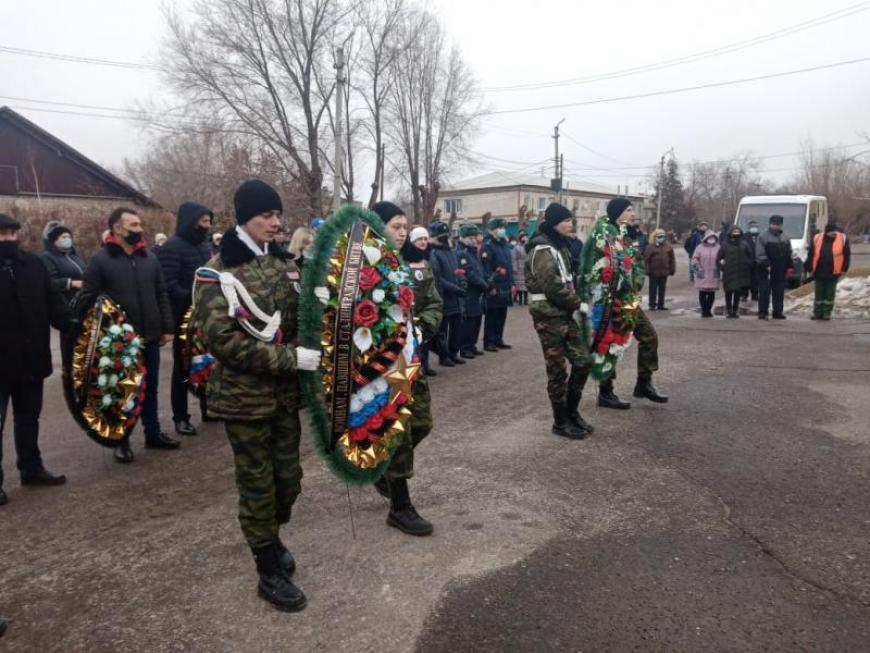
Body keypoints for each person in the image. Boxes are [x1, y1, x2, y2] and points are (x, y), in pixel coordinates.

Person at [195, 179, 321, 611]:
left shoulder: (284, 263)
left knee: (289, 482)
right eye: (266, 215)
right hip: (245, 401)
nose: (276, 222)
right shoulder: (217, 272)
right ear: (244, 218)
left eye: (277, 215)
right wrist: (292, 361)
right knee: (257, 484)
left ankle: (272, 535)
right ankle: (266, 565)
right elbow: (224, 342)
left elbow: (303, 316)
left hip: (285, 399)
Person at [80, 207, 179, 463]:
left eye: (139, 225)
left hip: (150, 334)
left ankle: (153, 433)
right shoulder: (101, 261)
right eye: (134, 225)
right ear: (118, 229)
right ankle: (121, 440)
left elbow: (161, 293)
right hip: (120, 341)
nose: (139, 229)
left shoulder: (149, 258)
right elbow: (88, 300)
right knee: (121, 390)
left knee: (151, 387)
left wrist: (167, 327)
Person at [371, 201, 441, 535]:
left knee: (423, 423)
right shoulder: (364, 269)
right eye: (395, 226)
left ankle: (385, 471)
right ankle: (400, 505)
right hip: (385, 365)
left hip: (411, 358)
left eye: (404, 226)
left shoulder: (406, 264)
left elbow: (433, 304)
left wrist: (422, 328)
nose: (402, 232)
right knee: (399, 430)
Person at [0, 213, 70, 506]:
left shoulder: (33, 264)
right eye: (1, 234)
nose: (8, 239)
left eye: (11, 233)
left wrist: (74, 324)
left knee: (28, 418)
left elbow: (53, 304)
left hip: (32, 358)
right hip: (1, 361)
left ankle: (31, 468)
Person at [581, 199, 668, 410]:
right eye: (628, 210)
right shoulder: (602, 235)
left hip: (627, 299)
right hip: (609, 299)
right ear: (618, 213)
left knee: (649, 336)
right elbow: (589, 267)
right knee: (609, 344)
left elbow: (637, 263)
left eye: (632, 209)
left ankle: (644, 384)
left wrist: (634, 283)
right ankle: (606, 392)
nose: (632, 214)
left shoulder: (625, 235)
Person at [525, 203, 593, 439]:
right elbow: (552, 287)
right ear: (555, 223)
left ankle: (572, 413)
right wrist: (577, 304)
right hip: (548, 317)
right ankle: (560, 421)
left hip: (562, 314)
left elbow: (568, 277)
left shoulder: (558, 246)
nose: (570, 224)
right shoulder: (543, 250)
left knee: (583, 361)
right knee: (557, 371)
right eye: (566, 221)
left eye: (571, 220)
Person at [156, 202, 214, 436]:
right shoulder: (172, 248)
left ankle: (207, 405)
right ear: (191, 221)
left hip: (206, 314)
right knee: (182, 368)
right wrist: (194, 297)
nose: (207, 226)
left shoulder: (204, 246)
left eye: (209, 222)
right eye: (204, 221)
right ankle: (180, 416)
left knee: (207, 361)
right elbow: (168, 285)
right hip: (183, 316)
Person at [40, 221, 86, 372]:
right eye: (63, 236)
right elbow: (49, 282)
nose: (68, 239)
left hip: (83, 305)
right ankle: (70, 379)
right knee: (70, 348)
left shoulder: (74, 255)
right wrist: (71, 283)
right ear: (54, 240)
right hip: (65, 308)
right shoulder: (48, 257)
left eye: (69, 236)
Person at [428, 220, 466, 367]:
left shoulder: (451, 251)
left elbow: (458, 270)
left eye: (446, 234)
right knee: (443, 330)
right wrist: (453, 287)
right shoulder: (433, 253)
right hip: (444, 296)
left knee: (456, 327)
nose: (446, 237)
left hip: (455, 298)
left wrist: (462, 281)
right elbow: (438, 278)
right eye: (442, 235)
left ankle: (453, 353)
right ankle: (443, 356)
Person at [403, 226, 440, 376]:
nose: (423, 242)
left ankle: (424, 364)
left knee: (424, 338)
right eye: (420, 239)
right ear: (412, 241)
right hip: (409, 310)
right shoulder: (404, 261)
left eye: (425, 239)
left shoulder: (426, 262)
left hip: (424, 309)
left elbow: (431, 287)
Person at [481, 218, 514, 351]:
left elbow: (509, 266)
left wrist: (511, 283)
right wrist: (491, 286)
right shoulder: (488, 245)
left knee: (502, 314)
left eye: (503, 227)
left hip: (505, 284)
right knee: (492, 315)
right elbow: (486, 267)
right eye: (499, 227)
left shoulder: (504, 244)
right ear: (492, 230)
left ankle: (498, 339)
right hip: (495, 285)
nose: (502, 230)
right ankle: (489, 341)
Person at [455, 224, 488, 358]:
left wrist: (484, 282)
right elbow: (469, 273)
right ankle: (464, 348)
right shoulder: (461, 252)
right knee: (468, 321)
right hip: (468, 292)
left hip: (477, 292)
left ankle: (472, 344)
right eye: (470, 237)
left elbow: (479, 270)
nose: (473, 240)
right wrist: (484, 285)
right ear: (462, 237)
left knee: (476, 319)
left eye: (474, 237)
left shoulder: (473, 251)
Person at [807, 222, 851, 320]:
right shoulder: (817, 238)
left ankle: (827, 312)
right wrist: (809, 268)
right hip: (819, 271)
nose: (834, 233)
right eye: (832, 231)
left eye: (835, 231)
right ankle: (817, 313)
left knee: (829, 294)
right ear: (827, 232)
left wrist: (844, 268)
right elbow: (811, 254)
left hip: (834, 271)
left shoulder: (842, 238)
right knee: (819, 293)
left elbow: (846, 255)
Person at [756, 215, 793, 320]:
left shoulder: (784, 237)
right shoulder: (763, 236)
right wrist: (766, 264)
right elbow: (759, 253)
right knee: (764, 291)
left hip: (780, 268)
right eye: (774, 224)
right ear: (770, 224)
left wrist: (789, 266)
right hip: (766, 269)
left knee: (779, 291)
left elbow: (788, 252)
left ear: (781, 225)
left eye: (778, 225)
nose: (776, 226)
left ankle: (778, 312)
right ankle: (763, 312)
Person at [718, 226, 753, 318]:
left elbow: (750, 256)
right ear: (730, 233)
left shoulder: (744, 244)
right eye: (734, 231)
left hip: (740, 272)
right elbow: (719, 257)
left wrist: (747, 264)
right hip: (729, 272)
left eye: (738, 231)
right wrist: (722, 265)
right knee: (728, 293)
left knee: (737, 293)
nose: (736, 233)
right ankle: (729, 311)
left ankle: (735, 311)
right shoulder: (725, 244)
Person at [643, 228, 675, 310]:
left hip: (664, 271)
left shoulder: (668, 246)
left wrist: (672, 269)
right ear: (655, 237)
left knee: (662, 289)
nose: (661, 238)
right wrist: (646, 270)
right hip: (653, 272)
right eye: (659, 236)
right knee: (653, 289)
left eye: (663, 236)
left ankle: (661, 305)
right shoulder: (650, 247)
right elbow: (646, 259)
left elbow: (672, 259)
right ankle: (652, 305)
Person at [692, 231, 720, 317]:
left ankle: (708, 310)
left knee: (711, 294)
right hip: (702, 273)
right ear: (706, 238)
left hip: (713, 274)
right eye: (709, 237)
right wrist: (698, 267)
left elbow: (722, 257)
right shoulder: (699, 248)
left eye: (713, 237)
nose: (711, 239)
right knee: (702, 293)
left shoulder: (718, 248)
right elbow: (694, 259)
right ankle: (704, 311)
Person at [742, 221, 761, 301]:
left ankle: (755, 294)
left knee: (756, 279)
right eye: (752, 226)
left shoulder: (760, 236)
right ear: (749, 227)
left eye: (755, 226)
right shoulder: (744, 237)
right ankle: (744, 295)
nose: (754, 228)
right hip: (747, 262)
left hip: (757, 262)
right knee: (745, 279)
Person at [512, 232, 528, 305]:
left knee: (526, 285)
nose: (525, 238)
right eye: (523, 237)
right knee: (519, 285)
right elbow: (514, 258)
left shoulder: (528, 246)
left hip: (526, 267)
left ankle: (526, 300)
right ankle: (520, 300)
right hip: (519, 267)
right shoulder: (516, 247)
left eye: (526, 237)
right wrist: (515, 267)